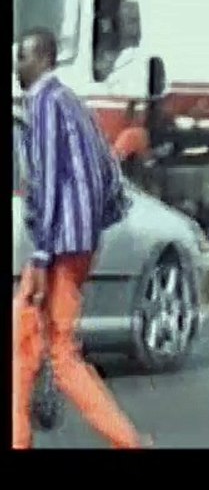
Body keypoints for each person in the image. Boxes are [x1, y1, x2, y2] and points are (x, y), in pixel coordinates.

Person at [14, 28, 150, 450]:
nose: (16, 66)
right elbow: (108, 171)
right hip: (76, 241)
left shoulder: (45, 103)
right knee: (25, 339)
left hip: (57, 247)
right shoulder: (72, 102)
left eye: (22, 57)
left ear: (42, 59)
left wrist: (40, 254)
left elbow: (49, 181)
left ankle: (126, 440)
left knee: (60, 352)